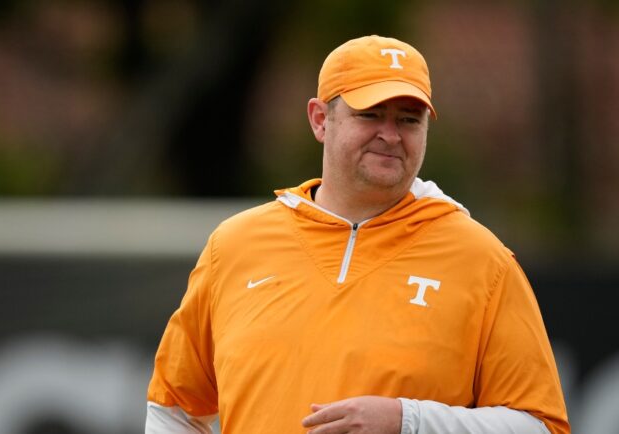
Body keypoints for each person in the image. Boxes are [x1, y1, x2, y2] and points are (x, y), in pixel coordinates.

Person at [145, 35, 570, 434]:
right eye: (369, 114)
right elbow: (173, 407)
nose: (390, 135)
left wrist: (410, 420)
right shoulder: (235, 245)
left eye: (409, 119)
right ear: (320, 120)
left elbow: (540, 424)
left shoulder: (482, 260)